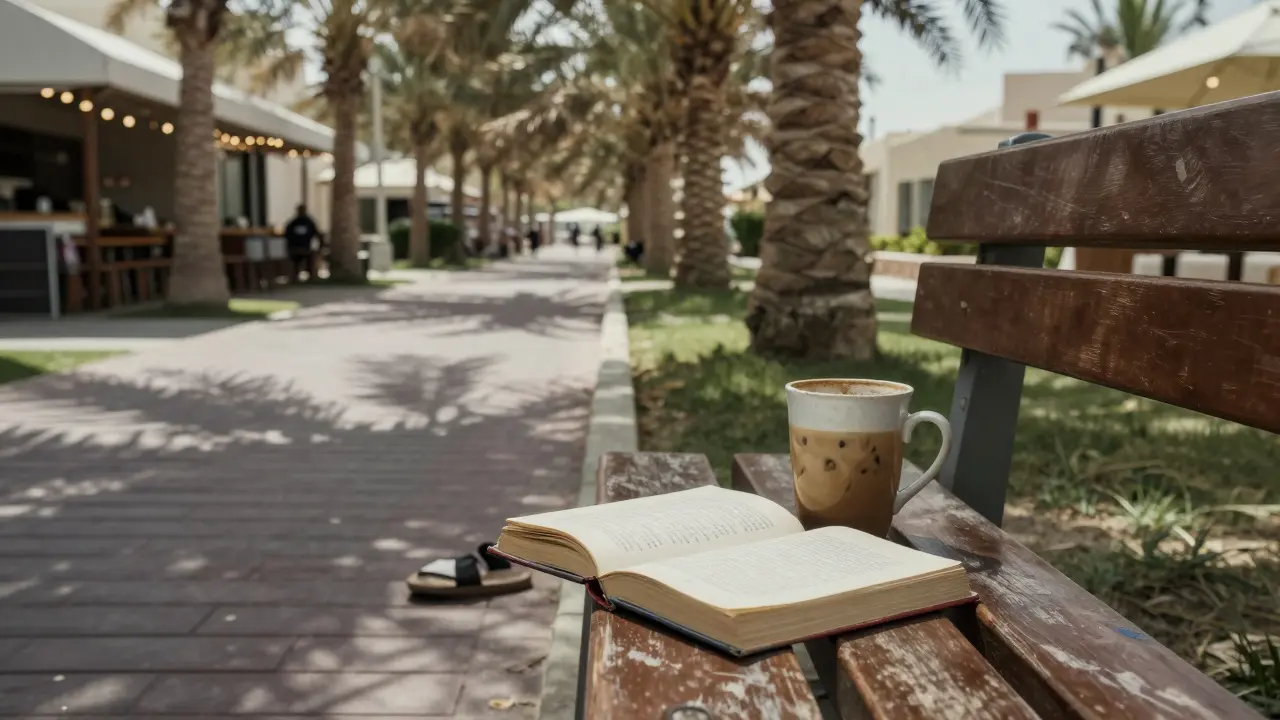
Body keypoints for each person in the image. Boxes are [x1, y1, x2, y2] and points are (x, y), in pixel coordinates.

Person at [284, 205, 322, 277]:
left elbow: (286, 235)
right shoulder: (308, 222)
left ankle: (297, 276)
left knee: (298, 261)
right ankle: (309, 275)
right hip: (302, 248)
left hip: (297, 248)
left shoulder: (294, 223)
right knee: (306, 260)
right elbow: (317, 234)